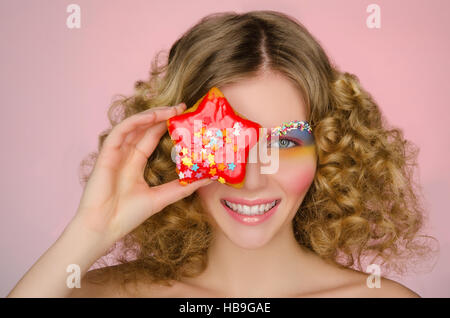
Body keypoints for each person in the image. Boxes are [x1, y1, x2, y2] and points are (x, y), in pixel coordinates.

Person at [8, 10, 435, 298]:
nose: (251, 180)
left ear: (326, 149)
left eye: (283, 143)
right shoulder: (97, 292)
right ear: (177, 148)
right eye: (225, 142)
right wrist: (90, 230)